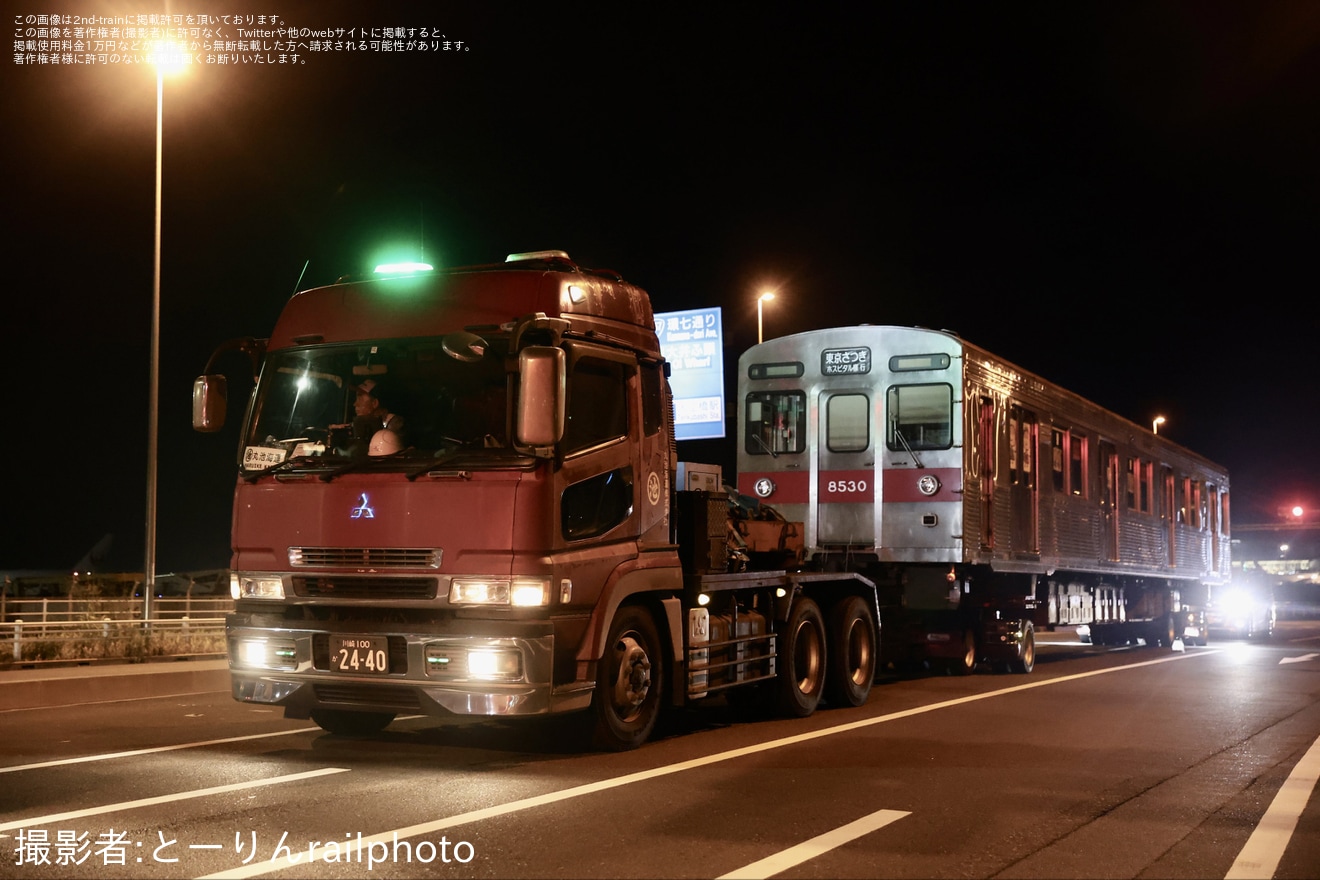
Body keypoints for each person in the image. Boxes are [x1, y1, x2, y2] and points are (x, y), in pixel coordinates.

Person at [344, 378, 407, 456]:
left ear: (374, 403)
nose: (355, 404)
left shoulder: (394, 424)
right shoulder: (359, 426)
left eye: (360, 398)